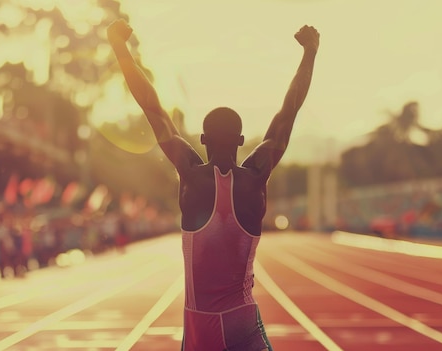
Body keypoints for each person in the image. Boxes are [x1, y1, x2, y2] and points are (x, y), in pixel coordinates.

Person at [107, 19, 319, 351]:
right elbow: (287, 112)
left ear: (202, 139)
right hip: (242, 322)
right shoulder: (255, 178)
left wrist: (119, 47)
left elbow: (152, 107)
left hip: (199, 325)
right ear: (241, 140)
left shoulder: (191, 175)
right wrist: (310, 52)